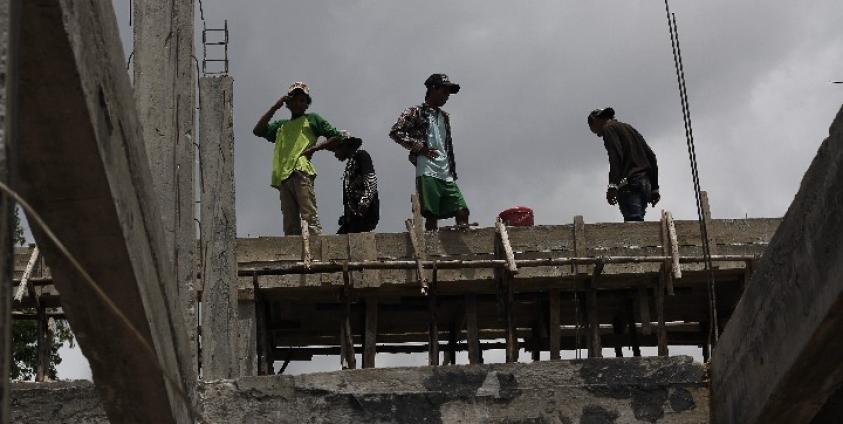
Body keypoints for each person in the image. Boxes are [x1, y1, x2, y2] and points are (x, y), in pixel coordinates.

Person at [252, 82, 343, 235]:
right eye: (294, 100)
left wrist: (314, 148)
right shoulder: (281, 126)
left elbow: (336, 137)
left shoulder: (312, 119)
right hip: (283, 176)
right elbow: (258, 130)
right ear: (288, 103)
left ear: (307, 105)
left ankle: (316, 247)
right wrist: (275, 107)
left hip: (301, 170)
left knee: (309, 215)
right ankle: (295, 249)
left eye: (302, 100)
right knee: (289, 223)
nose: (298, 103)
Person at [389, 73, 470, 231]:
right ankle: (432, 241)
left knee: (462, 210)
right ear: (433, 89)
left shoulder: (445, 117)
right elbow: (396, 132)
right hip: (427, 170)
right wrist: (420, 148)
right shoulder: (415, 111)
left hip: (445, 171)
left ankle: (461, 239)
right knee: (431, 214)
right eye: (444, 91)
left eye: (448, 93)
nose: (447, 97)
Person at [587, 107, 661, 221]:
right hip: (645, 184)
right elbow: (651, 156)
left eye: (593, 129)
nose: (597, 134)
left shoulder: (608, 128)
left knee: (633, 224)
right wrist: (654, 188)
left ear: (597, 121)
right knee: (638, 223)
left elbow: (615, 156)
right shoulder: (628, 128)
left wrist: (613, 185)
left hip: (631, 184)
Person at [331, 136, 380, 234]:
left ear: (345, 146)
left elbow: (371, 179)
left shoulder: (361, 155)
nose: (336, 154)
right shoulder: (350, 164)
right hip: (353, 215)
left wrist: (364, 202)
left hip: (364, 213)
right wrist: (346, 216)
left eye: (337, 149)